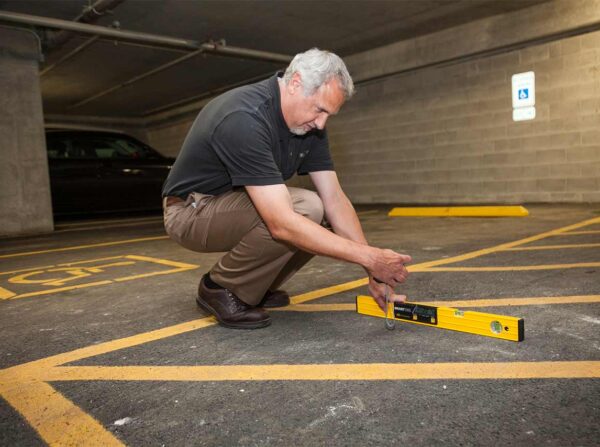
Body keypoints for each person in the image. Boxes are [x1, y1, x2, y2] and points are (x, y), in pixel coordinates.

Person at [162, 48, 411, 329]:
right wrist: (370, 257)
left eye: (329, 114)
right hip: (191, 212)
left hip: (235, 204)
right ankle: (219, 287)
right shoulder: (244, 117)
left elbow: (335, 199)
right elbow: (280, 223)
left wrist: (373, 270)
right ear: (295, 83)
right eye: (319, 109)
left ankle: (257, 285)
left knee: (317, 212)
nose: (321, 123)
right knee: (304, 209)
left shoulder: (310, 126)